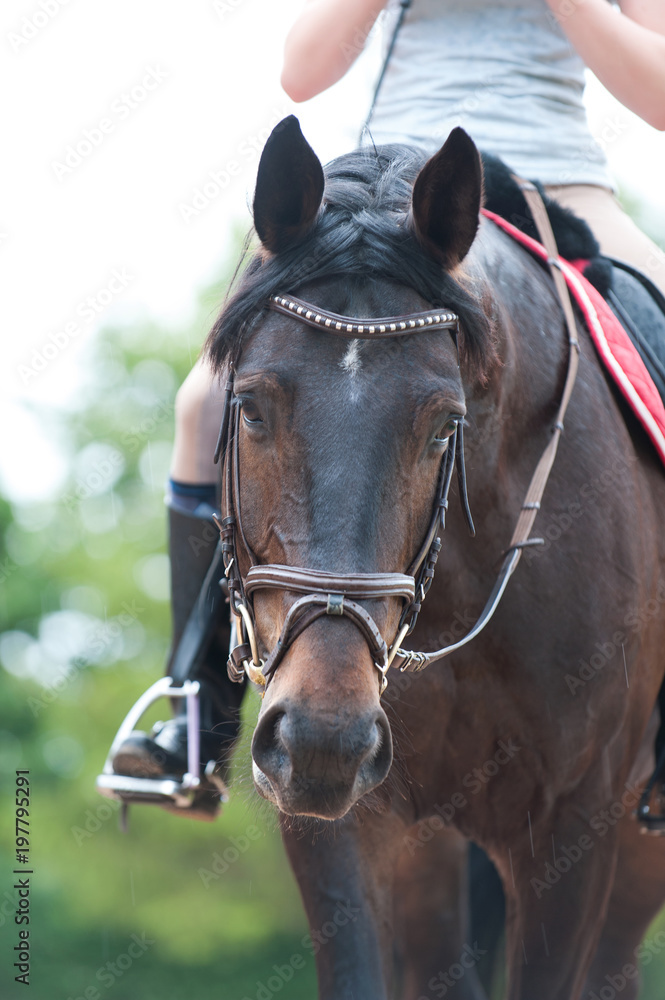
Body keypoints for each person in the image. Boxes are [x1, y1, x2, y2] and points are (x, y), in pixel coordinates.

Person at [108, 0, 665, 814]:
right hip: (380, 195)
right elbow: (301, 70)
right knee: (204, 402)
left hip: (557, 184)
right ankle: (196, 711)